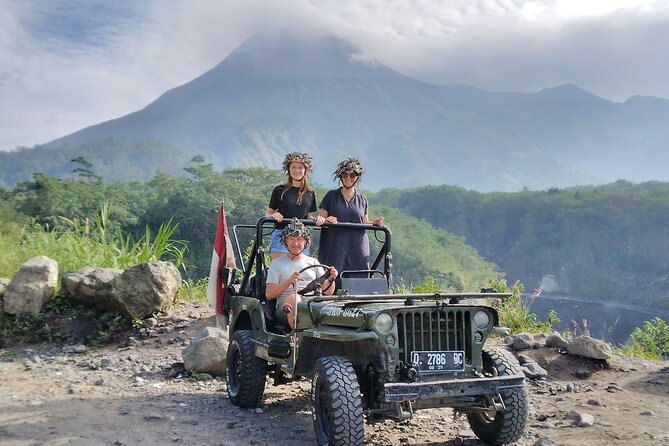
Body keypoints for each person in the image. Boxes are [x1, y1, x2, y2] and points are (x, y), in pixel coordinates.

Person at [316, 157, 384, 279]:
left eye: (352, 175)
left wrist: (374, 223)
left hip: (357, 246)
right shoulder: (331, 196)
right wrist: (328, 219)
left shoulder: (362, 199)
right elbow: (320, 218)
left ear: (357, 177)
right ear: (340, 176)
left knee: (359, 277)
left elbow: (364, 221)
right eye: (345, 175)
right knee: (331, 275)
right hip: (334, 245)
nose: (348, 178)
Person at [265, 218, 338, 329]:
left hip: (313, 302)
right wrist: (289, 281)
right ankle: (297, 337)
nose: (296, 243)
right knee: (294, 299)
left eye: (299, 240)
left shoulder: (314, 262)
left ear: (305, 242)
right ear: (286, 241)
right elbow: (269, 294)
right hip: (285, 306)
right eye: (292, 239)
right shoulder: (277, 264)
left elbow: (328, 292)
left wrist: (331, 278)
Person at [266, 152, 322, 260]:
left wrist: (318, 220)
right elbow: (268, 212)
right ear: (288, 169)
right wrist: (274, 215)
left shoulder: (310, 193)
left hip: (301, 238)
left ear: (305, 170)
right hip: (281, 236)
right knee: (280, 272)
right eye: (294, 167)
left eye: (300, 167)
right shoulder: (279, 190)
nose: (297, 171)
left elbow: (308, 216)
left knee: (301, 273)